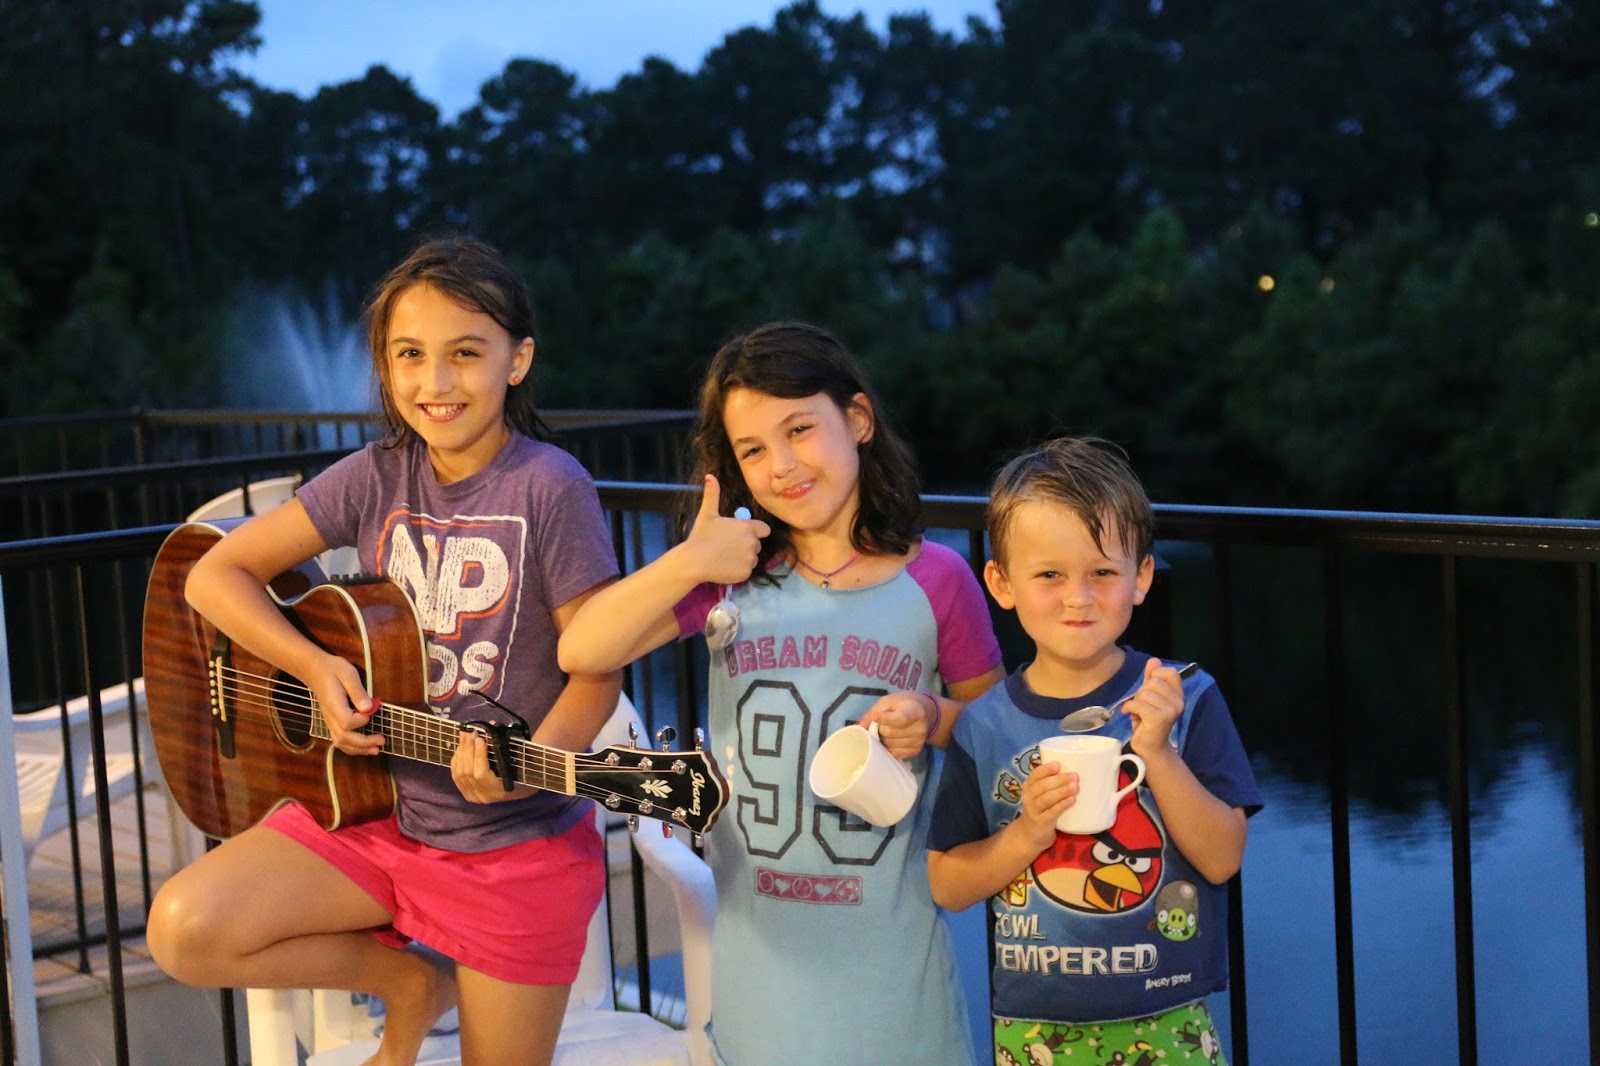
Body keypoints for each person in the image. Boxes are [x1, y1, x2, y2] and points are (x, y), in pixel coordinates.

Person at [147, 234, 622, 1066]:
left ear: (517, 360)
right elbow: (214, 575)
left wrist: (531, 766)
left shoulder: (552, 486)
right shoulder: (374, 474)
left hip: (513, 849)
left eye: (465, 353)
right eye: (410, 355)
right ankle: (409, 983)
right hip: (374, 816)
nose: (435, 383)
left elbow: (598, 671)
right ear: (385, 366)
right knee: (186, 930)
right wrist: (313, 665)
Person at [557, 320, 1006, 1065]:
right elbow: (583, 648)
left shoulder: (937, 581)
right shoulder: (729, 581)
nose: (783, 466)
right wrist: (688, 561)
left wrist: (931, 715)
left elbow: (1000, 734)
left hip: (894, 971)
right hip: (759, 971)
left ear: (857, 420)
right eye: (753, 450)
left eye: (800, 430)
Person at [927, 436, 1263, 1066]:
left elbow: (1221, 860)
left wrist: (1157, 752)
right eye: (1049, 575)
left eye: (1103, 572)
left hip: (1169, 1015)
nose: (1078, 596)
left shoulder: (1185, 698)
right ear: (1001, 582)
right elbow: (947, 884)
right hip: (1034, 1029)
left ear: (1141, 578)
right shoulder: (985, 725)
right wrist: (1027, 834)